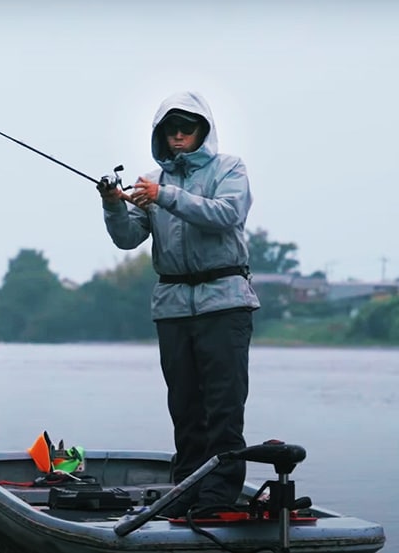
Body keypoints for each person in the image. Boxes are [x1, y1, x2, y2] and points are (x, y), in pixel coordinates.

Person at [98, 92, 259, 516]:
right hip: (172, 306)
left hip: (224, 303)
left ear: (203, 130)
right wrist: (113, 205)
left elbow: (225, 214)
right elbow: (129, 237)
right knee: (184, 406)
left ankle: (219, 495)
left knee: (223, 406)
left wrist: (163, 197)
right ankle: (187, 488)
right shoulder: (153, 181)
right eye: (170, 130)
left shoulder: (230, 169)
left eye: (187, 128)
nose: (178, 136)